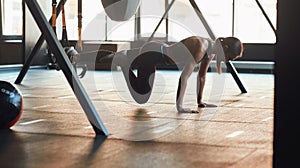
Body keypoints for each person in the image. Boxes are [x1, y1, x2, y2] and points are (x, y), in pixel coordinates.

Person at [102, 36, 244, 113]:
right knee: (141, 98)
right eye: (230, 57)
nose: (228, 61)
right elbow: (184, 76)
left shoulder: (210, 51)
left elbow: (201, 76)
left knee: (141, 88)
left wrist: (200, 102)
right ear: (225, 48)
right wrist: (180, 106)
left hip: (156, 50)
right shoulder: (201, 47)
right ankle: (123, 63)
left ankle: (122, 57)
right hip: (153, 53)